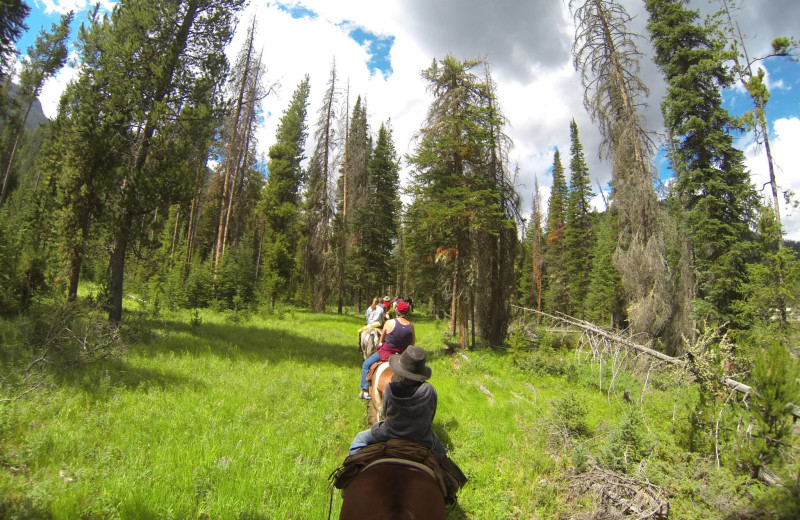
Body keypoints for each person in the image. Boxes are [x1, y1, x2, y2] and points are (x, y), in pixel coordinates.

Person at [349, 345, 446, 456]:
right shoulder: (429, 390)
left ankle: (348, 469)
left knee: (360, 438)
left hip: (389, 433)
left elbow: (385, 413)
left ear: (401, 370)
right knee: (443, 456)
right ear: (421, 372)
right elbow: (430, 418)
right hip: (422, 438)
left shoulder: (389, 388)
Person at [359, 300, 415, 400]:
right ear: (407, 312)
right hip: (402, 355)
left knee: (366, 364)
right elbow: (412, 343)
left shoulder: (389, 322)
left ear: (397, 311)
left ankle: (365, 390)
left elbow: (381, 340)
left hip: (386, 353)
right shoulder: (411, 325)